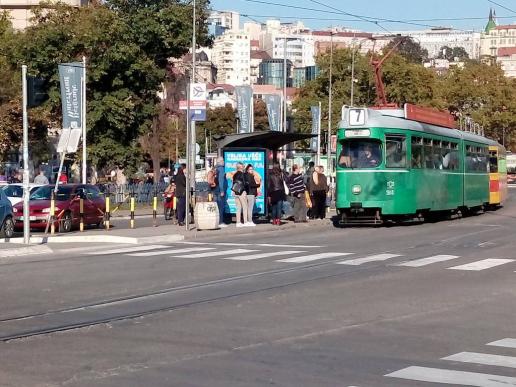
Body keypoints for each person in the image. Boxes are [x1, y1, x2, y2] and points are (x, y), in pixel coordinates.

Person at [227, 162, 248, 227]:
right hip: (242, 192)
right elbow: (245, 183)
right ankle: (245, 222)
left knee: (238, 207)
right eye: (243, 166)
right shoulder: (242, 174)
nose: (244, 167)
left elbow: (234, 183)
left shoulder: (235, 174)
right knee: (245, 207)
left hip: (236, 192)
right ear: (241, 167)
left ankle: (238, 222)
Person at [210, 157, 228, 227]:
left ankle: (215, 221)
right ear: (220, 161)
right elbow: (221, 180)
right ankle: (220, 222)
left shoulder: (214, 168)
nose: (224, 161)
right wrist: (222, 190)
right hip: (219, 190)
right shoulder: (221, 169)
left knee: (216, 206)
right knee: (220, 206)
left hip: (214, 190)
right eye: (223, 160)